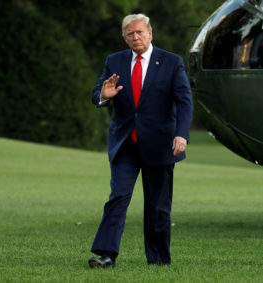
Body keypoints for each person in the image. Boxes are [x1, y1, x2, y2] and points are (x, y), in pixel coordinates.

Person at [88, 13, 193, 268]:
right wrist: (103, 95)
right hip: (125, 143)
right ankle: (106, 255)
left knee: (158, 205)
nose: (135, 37)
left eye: (139, 32)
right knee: (118, 197)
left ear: (150, 33)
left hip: (160, 144)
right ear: (124, 38)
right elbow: (97, 94)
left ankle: (157, 260)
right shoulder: (114, 61)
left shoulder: (171, 62)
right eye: (130, 34)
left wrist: (182, 134)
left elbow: (184, 101)